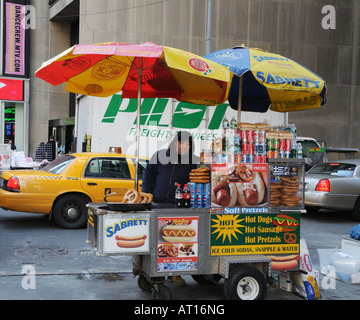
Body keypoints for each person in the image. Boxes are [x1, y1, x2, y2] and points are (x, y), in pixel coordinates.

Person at [142, 131, 199, 287]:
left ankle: (175, 274)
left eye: (188, 144)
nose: (185, 147)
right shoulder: (159, 156)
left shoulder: (193, 161)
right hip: (156, 205)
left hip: (179, 207)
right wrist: (146, 196)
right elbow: (148, 177)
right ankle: (149, 271)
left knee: (175, 242)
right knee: (154, 242)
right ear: (175, 143)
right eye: (182, 143)